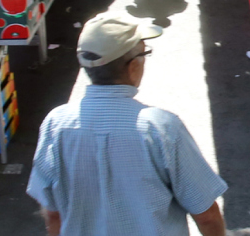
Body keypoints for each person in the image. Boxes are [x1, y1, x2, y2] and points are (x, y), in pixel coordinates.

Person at [27, 12, 229, 235]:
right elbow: (207, 215)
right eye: (145, 54)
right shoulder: (162, 127)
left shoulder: (56, 124)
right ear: (133, 66)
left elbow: (53, 213)